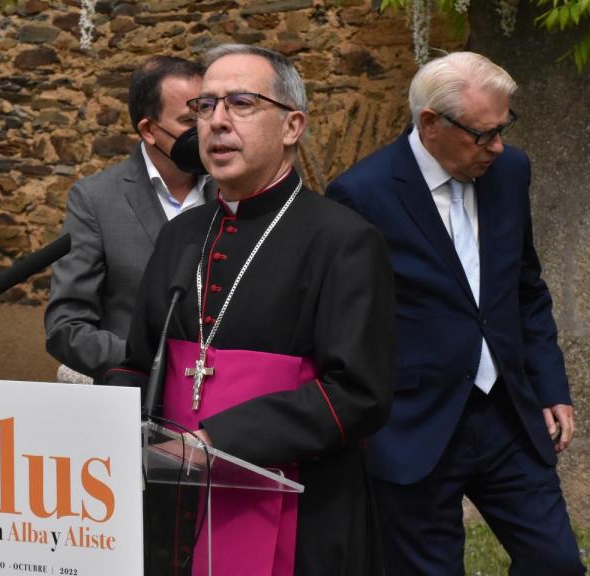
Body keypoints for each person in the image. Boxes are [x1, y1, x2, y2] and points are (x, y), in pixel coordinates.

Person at [107, 44, 394, 576]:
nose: (216, 123)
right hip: (177, 503)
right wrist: (104, 427)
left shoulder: (344, 240)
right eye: (205, 106)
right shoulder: (181, 236)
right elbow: (137, 361)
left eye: (240, 103)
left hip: (299, 506)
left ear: (292, 127)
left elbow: (358, 393)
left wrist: (218, 441)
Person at [326, 51, 586, 575]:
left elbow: (525, 289)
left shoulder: (510, 172)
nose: (498, 145)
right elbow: (347, 324)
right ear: (430, 124)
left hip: (507, 415)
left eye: (503, 128)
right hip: (413, 424)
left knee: (557, 563)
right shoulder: (361, 193)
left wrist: (551, 386)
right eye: (482, 134)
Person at [45, 55, 217, 383]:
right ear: (149, 130)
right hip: (134, 402)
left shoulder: (231, 191)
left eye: (206, 112)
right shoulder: (96, 199)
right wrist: (147, 361)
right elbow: (66, 328)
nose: (205, 130)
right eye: (188, 120)